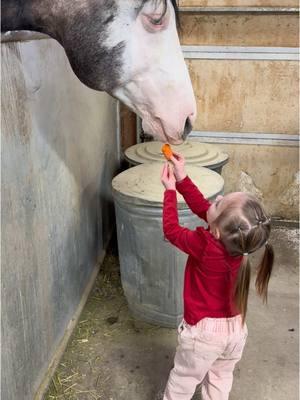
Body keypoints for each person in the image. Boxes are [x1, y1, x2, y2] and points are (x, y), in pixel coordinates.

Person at [160, 152, 274, 400]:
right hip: (235, 331)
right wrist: (182, 177)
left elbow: (171, 231)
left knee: (183, 380)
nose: (218, 198)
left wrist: (169, 192)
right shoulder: (241, 245)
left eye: (218, 203)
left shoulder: (205, 244)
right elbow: (206, 209)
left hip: (203, 334)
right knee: (220, 378)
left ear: (216, 230)